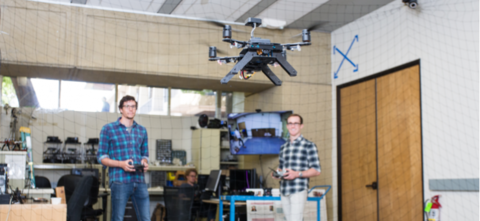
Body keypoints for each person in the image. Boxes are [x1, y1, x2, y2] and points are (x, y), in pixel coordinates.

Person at [97, 95, 150, 221]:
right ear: (121, 109)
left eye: (133, 106)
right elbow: (101, 157)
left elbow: (145, 154)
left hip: (139, 181)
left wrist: (144, 162)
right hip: (120, 181)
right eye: (127, 106)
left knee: (146, 218)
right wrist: (121, 164)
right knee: (118, 218)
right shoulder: (108, 129)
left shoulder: (142, 131)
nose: (131, 109)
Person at [271, 114, 321, 221]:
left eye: (296, 123)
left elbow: (316, 170)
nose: (292, 126)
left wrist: (297, 174)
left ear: (301, 126)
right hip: (284, 190)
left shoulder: (309, 145)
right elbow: (281, 168)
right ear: (287, 126)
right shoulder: (283, 147)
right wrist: (277, 173)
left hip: (298, 190)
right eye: (290, 123)